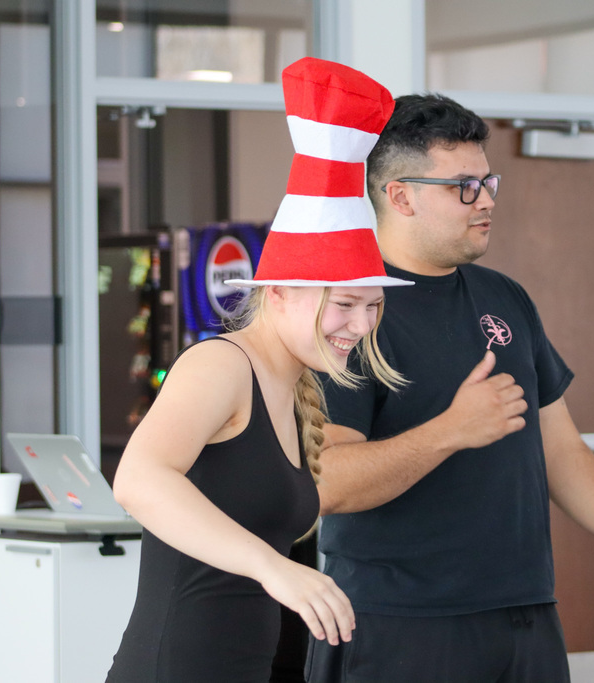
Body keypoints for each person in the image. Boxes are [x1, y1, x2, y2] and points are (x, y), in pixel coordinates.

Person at [306, 94, 594, 682]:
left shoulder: (505, 297)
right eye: (462, 186)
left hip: (523, 616)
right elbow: (327, 480)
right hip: (400, 624)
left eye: (487, 182)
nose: (484, 201)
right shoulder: (349, 310)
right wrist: (451, 431)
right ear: (399, 195)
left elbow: (558, 447)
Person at [106, 57, 412, 683]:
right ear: (278, 294)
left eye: (372, 307)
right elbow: (137, 481)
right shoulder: (222, 365)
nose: (359, 325)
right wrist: (273, 567)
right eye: (343, 305)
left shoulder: (299, 386)